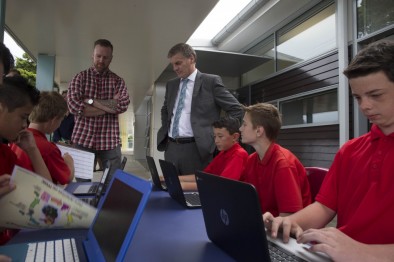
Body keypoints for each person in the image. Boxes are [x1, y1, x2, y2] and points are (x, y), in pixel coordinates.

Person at [263, 40, 394, 261]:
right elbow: (324, 207)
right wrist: (288, 223)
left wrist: (364, 252)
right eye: (358, 97)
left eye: (375, 95)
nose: (364, 106)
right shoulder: (350, 151)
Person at [157, 43, 243, 175]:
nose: (175, 68)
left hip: (198, 150)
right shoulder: (171, 84)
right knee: (172, 190)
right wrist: (165, 129)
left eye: (178, 63)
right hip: (171, 148)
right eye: (173, 64)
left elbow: (236, 109)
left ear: (191, 58)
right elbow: (165, 109)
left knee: (197, 193)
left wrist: (220, 134)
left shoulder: (211, 82)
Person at [67, 39, 130, 179]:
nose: (101, 60)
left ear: (111, 58)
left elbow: (123, 105)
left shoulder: (118, 81)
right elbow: (73, 106)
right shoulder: (80, 78)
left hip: (110, 141)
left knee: (112, 185)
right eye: (98, 56)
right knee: (82, 187)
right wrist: (110, 105)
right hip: (82, 139)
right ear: (92, 55)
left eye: (105, 57)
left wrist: (91, 102)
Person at [0, 76, 51, 246]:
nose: (25, 125)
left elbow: (46, 192)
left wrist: (32, 150)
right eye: (23, 117)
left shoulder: (6, 154)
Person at [239, 103, 311, 217]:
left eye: (244, 124)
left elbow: (289, 217)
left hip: (285, 231)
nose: (240, 129)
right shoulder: (251, 160)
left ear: (259, 131)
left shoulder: (283, 164)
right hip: (262, 224)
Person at [11, 91, 75, 185]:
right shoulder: (49, 149)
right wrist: (69, 161)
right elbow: (67, 178)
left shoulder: (16, 139)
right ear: (54, 120)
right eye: (61, 120)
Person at [177, 117, 249, 191]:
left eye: (220, 136)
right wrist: (176, 179)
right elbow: (203, 177)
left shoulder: (239, 155)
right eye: (214, 136)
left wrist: (181, 185)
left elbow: (222, 185)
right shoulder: (223, 152)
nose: (216, 141)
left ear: (235, 137)